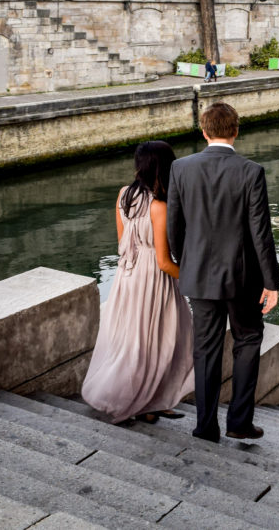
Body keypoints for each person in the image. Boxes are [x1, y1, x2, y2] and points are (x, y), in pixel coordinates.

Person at [167, 102, 279, 443]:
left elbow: (175, 227)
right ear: (236, 131)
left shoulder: (180, 168)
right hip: (242, 278)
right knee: (247, 340)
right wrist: (271, 283)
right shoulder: (251, 171)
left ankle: (205, 426)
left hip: (198, 275)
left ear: (204, 131)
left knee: (205, 349)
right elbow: (261, 233)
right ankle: (239, 422)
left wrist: (187, 261)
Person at [81, 141, 195, 424]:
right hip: (154, 280)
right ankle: (140, 403)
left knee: (135, 340)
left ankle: (153, 400)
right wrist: (196, 278)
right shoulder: (159, 206)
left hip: (127, 275)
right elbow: (164, 262)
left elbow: (122, 243)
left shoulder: (123, 195)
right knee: (165, 339)